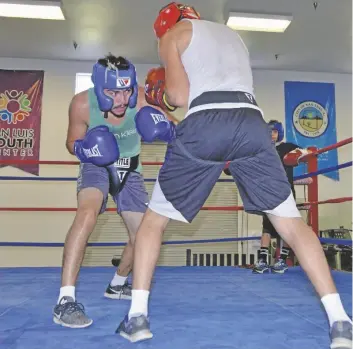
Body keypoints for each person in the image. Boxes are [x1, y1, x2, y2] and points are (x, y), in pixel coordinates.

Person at [116, 3, 352, 348]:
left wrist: (161, 99)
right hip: (252, 125)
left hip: (206, 123)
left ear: (164, 25)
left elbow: (180, 96)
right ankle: (340, 321)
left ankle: (136, 317)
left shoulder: (172, 35)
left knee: (153, 221)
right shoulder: (232, 35)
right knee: (291, 224)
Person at [53, 54, 177, 329]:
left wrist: (167, 130)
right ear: (99, 88)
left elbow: (179, 129)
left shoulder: (144, 99)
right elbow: (71, 141)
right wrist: (86, 148)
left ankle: (117, 284)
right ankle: (65, 301)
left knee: (143, 231)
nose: (121, 100)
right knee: (87, 214)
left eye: (126, 90)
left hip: (130, 167)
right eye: (112, 92)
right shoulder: (82, 104)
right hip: (96, 162)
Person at [252, 120, 312, 274]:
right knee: (267, 227)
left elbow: (306, 153)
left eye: (275, 131)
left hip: (286, 193)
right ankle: (262, 261)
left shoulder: (288, 147)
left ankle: (281, 261)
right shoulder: (262, 150)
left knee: (288, 228)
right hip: (269, 193)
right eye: (269, 131)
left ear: (280, 133)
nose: (272, 134)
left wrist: (305, 152)